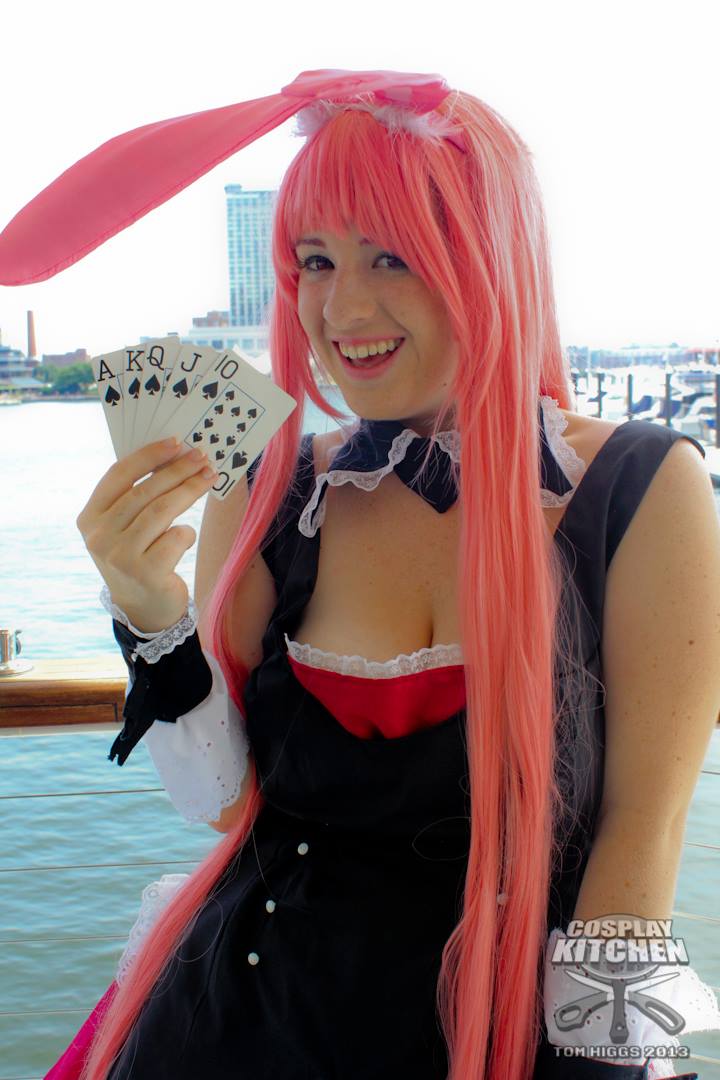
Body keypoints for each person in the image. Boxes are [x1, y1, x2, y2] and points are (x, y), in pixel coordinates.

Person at [4, 69, 718, 1080]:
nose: (341, 307)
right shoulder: (273, 489)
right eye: (315, 260)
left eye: (392, 255)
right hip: (237, 1026)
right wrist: (149, 610)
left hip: (502, 1037)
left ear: (490, 256)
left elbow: (640, 837)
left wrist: (598, 1066)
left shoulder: (641, 487)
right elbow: (225, 804)